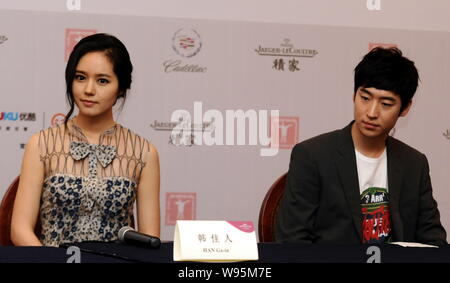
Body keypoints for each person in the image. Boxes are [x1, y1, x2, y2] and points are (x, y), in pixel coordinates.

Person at [276, 47, 447, 246]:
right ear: (354, 95)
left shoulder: (414, 164)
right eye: (365, 98)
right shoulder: (312, 156)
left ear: (405, 108)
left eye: (386, 103)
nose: (372, 112)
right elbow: (292, 241)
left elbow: (433, 241)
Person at [11, 33, 160, 247]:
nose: (89, 90)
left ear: (120, 87)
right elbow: (20, 230)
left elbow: (148, 240)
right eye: (80, 77)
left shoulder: (144, 153)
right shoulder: (41, 144)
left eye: (102, 81)